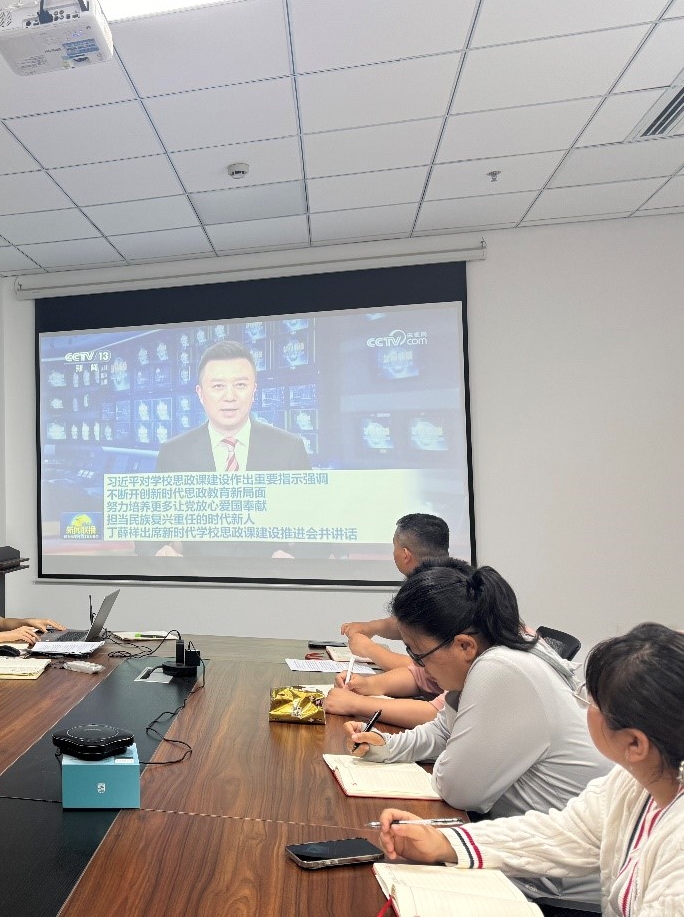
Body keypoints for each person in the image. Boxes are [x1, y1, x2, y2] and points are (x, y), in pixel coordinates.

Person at [344, 559, 611, 902]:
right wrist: (388, 745)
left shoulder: (502, 669)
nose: (419, 666)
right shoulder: (503, 650)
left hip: (558, 891)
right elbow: (443, 730)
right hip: (522, 855)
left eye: (419, 655)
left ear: (464, 646)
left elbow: (458, 789)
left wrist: (448, 754)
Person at [376, 623, 684, 916]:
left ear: (635, 744)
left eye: (592, 701)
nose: (583, 707)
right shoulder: (634, 781)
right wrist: (444, 843)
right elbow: (564, 834)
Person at [145, 339, 311, 557]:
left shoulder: (289, 448)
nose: (230, 396)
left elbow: (315, 527)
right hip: (197, 576)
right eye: (218, 386)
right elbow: (149, 534)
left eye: (240, 385)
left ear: (254, 390)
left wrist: (295, 558)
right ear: (200, 393)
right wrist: (160, 551)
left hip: (269, 575)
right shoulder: (174, 452)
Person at [340, 513, 450, 668]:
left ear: (405, 555)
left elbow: (426, 671)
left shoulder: (436, 594)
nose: (393, 553)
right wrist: (371, 628)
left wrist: (368, 649)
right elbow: (413, 625)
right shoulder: (448, 581)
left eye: (394, 546)